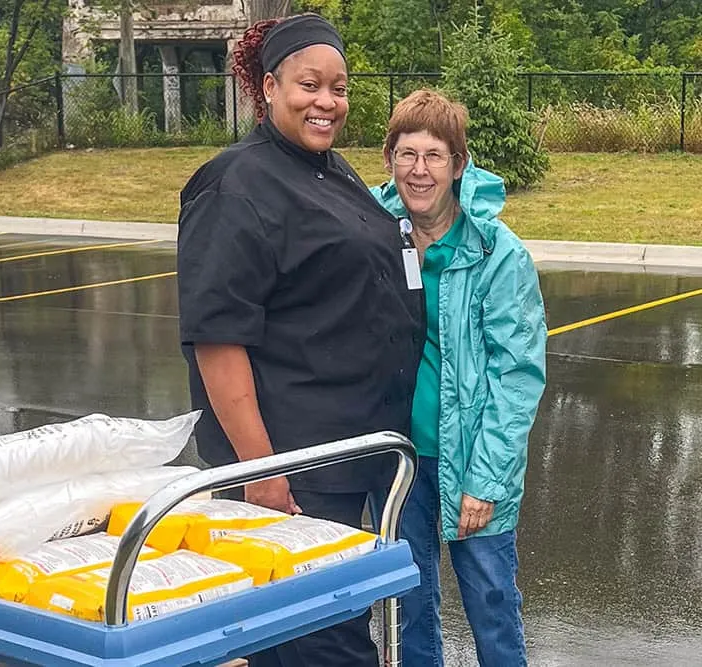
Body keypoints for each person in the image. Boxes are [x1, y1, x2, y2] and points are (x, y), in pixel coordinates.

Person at [177, 13, 425, 667]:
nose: (327, 102)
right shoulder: (234, 185)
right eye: (309, 85)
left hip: (359, 459)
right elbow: (218, 341)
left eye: (338, 88)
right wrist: (263, 474)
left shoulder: (332, 172)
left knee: (331, 629)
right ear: (268, 86)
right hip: (294, 474)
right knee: (323, 645)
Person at [369, 89, 547, 666]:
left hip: (474, 458)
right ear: (389, 159)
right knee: (410, 603)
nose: (419, 170)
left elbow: (516, 376)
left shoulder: (499, 254)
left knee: (491, 598)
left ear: (459, 165)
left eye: (435, 155)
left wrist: (486, 481)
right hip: (400, 462)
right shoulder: (371, 234)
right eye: (406, 153)